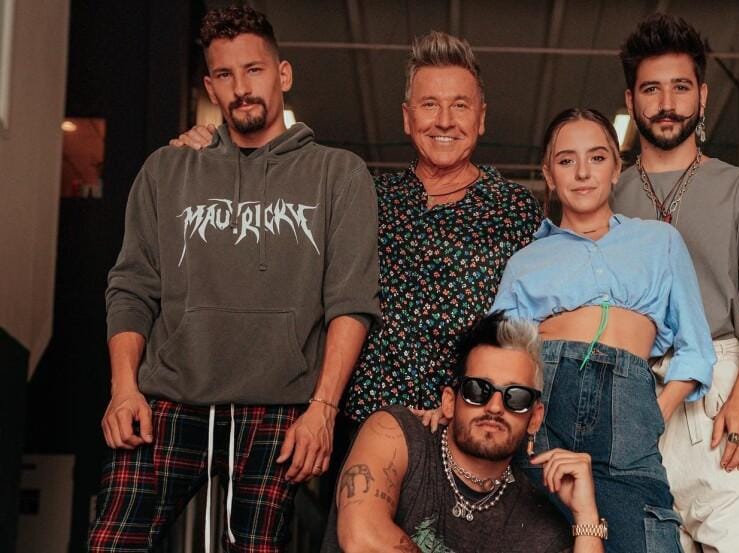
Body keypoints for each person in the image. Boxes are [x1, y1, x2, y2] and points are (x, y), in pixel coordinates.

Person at [172, 31, 542, 469]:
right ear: (407, 118)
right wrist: (213, 150)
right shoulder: (361, 193)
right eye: (429, 105)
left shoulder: (515, 208)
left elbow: (528, 330)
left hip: (464, 435)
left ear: (481, 118)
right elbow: (265, 222)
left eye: (460, 105)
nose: (444, 121)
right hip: (357, 431)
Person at [88, 6, 380, 552]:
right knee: (112, 544)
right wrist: (122, 389)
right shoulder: (167, 170)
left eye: (254, 70)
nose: (241, 88)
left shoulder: (338, 174)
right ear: (210, 86)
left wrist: (323, 411)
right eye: (225, 74)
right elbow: (131, 288)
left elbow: (351, 301)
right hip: (167, 402)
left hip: (278, 411)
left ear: (283, 74)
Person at [612, 14, 739, 553]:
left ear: (703, 96)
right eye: (651, 89)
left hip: (719, 391)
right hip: (633, 394)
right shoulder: (607, 195)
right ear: (631, 100)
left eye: (680, 87)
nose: (666, 103)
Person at [491, 107, 715, 553]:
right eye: (566, 160)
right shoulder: (524, 262)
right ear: (549, 175)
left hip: (630, 414)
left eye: (596, 157)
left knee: (647, 534)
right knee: (538, 533)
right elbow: (500, 360)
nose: (582, 173)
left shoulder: (660, 242)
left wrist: (654, 413)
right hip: (546, 410)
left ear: (616, 168)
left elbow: (696, 349)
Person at [320, 312, 606, 553]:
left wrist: (586, 518)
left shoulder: (539, 526)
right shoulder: (395, 433)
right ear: (449, 401)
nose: (495, 407)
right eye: (477, 390)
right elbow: (361, 537)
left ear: (535, 418)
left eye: (516, 397)